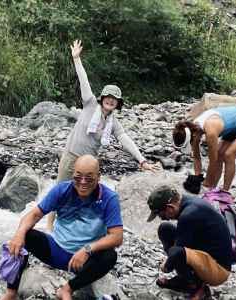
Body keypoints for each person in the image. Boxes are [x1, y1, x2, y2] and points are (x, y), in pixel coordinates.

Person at [47, 39, 160, 231]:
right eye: (108, 97)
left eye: (114, 100)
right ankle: (50, 225)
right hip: (72, 155)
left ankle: (71, 225)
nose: (110, 101)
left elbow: (125, 140)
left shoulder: (113, 122)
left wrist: (142, 161)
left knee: (82, 194)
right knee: (60, 190)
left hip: (90, 162)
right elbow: (84, 81)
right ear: (102, 99)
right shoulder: (90, 104)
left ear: (117, 104)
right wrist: (76, 59)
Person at [0, 155, 123, 300]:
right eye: (78, 177)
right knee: (24, 236)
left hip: (85, 261)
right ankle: (11, 292)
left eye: (89, 178)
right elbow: (33, 215)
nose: (83, 182)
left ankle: (67, 289)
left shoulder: (109, 198)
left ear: (98, 177)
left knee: (110, 256)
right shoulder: (61, 190)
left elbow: (117, 237)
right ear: (73, 175)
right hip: (56, 250)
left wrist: (87, 249)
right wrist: (19, 234)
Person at [146, 185, 232, 300]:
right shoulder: (188, 203)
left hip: (219, 269)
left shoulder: (188, 215)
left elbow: (177, 252)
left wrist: (166, 266)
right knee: (165, 228)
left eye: (161, 215)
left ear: (170, 208)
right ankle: (187, 280)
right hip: (208, 255)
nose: (163, 218)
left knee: (176, 252)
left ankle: (195, 286)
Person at [173, 106, 236, 194]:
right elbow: (196, 157)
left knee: (229, 155)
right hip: (234, 126)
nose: (192, 144)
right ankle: (213, 190)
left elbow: (213, 161)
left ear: (193, 136)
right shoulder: (192, 129)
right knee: (219, 153)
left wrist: (206, 185)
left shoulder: (211, 131)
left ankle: (225, 193)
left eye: (191, 142)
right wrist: (197, 177)